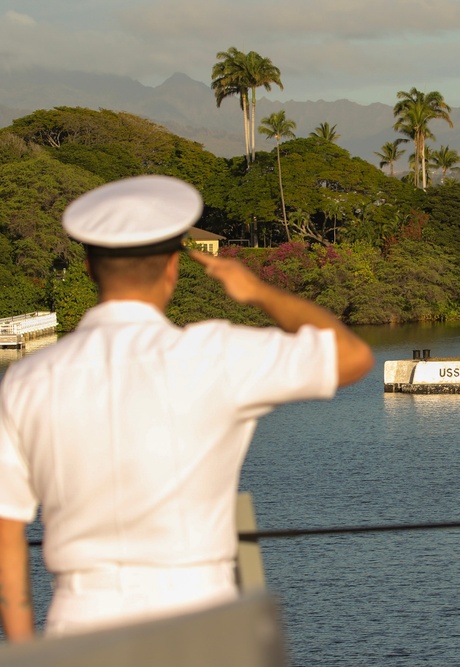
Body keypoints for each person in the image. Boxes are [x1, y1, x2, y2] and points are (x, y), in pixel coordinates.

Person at [0, 175, 375, 641]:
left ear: (89, 268)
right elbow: (351, 356)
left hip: (78, 620)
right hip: (198, 615)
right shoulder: (214, 356)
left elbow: (6, 528)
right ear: (172, 269)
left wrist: (25, 651)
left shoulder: (27, 379)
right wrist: (257, 291)